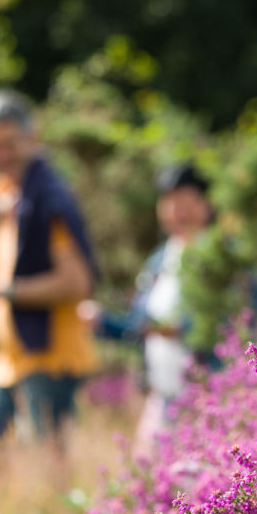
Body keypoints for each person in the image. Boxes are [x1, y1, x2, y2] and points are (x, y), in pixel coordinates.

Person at [0, 90, 100, 487]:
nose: (0, 154)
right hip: (10, 359)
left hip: (50, 357)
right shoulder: (6, 197)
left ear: (32, 137)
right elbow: (4, 280)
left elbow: (77, 282)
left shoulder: (49, 198)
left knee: (48, 479)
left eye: (9, 143)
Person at [79, 164, 213, 456]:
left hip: (209, 398)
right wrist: (102, 323)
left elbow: (236, 324)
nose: (177, 212)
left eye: (185, 203)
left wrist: (178, 329)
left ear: (205, 205)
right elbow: (140, 326)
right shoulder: (159, 261)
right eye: (169, 203)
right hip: (163, 395)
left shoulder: (222, 258)